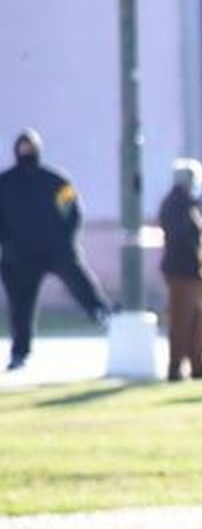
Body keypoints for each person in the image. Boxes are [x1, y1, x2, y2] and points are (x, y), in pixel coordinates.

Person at [0, 129, 113, 370]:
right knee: (20, 307)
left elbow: (74, 210)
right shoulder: (5, 183)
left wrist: (65, 238)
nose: (26, 150)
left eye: (30, 146)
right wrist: (7, 242)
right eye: (23, 146)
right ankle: (20, 353)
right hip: (18, 255)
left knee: (80, 282)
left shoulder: (55, 180)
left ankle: (103, 315)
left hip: (56, 249)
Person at [158, 158, 202, 381]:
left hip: (189, 271)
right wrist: (198, 267)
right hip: (182, 272)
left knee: (195, 320)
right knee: (181, 321)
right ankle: (176, 367)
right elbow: (183, 240)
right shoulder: (177, 204)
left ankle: (197, 363)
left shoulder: (185, 204)